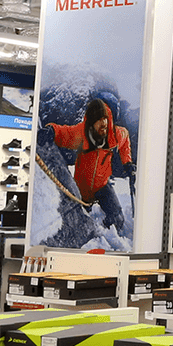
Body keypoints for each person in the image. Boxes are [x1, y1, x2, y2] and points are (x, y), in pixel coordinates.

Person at [45, 94, 133, 241]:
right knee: (76, 223)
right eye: (99, 119)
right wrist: (52, 131)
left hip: (102, 186)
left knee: (118, 219)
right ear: (91, 123)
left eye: (105, 118)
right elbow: (65, 133)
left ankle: (105, 233)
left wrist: (127, 162)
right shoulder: (82, 133)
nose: (103, 123)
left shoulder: (115, 134)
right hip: (81, 189)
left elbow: (125, 139)